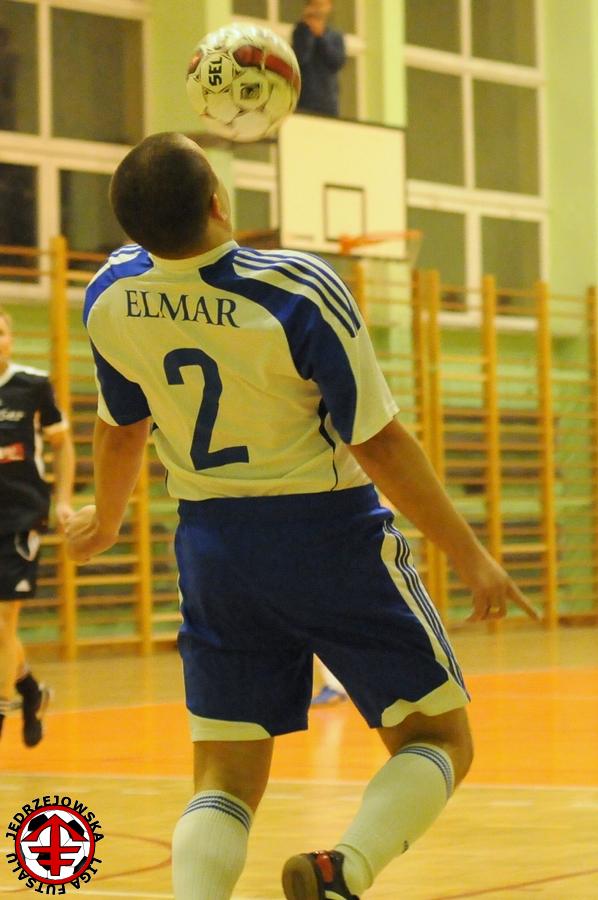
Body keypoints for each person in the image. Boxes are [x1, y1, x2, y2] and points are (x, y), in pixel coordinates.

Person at [66, 132, 537, 900]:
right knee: (438, 736)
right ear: (219, 201)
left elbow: (122, 428)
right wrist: (471, 555)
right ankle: (343, 870)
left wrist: (108, 520)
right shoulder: (298, 286)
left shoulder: (109, 292)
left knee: (224, 774)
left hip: (212, 545)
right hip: (328, 534)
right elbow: (379, 442)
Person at [0, 306, 74, 746]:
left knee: (4, 620)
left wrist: (62, 500)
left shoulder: (31, 385)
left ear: (11, 339)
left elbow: (61, 446)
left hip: (20, 517)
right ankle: (30, 691)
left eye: (1, 332)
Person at [292, 0, 346, 117]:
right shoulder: (300, 31)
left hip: (328, 101)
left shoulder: (335, 35)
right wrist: (307, 31)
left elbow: (337, 62)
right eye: (315, 5)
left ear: (329, 7)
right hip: (304, 100)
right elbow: (300, 58)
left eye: (321, 5)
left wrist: (321, 36)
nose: (318, 10)